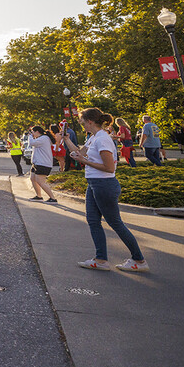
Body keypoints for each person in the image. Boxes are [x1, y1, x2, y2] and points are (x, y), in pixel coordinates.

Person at [64, 108, 148, 272]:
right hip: (94, 183)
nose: (81, 125)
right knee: (93, 221)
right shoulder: (94, 137)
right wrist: (67, 140)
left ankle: (139, 260)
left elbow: (109, 168)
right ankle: (101, 259)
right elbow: (78, 152)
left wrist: (84, 161)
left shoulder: (102, 139)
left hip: (104, 184)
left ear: (89, 122)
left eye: (82, 122)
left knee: (115, 223)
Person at [27, 126, 59, 202]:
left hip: (43, 163)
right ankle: (39, 196)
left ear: (37, 132)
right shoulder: (41, 138)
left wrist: (30, 136)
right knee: (33, 178)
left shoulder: (44, 138)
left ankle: (53, 198)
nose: (32, 134)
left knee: (40, 181)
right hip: (37, 163)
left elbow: (31, 143)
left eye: (33, 132)